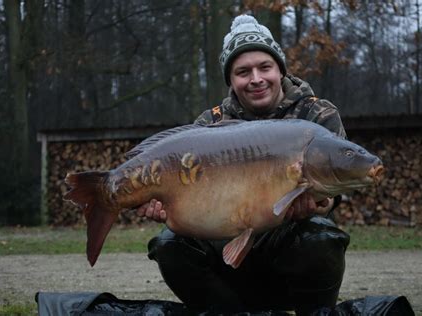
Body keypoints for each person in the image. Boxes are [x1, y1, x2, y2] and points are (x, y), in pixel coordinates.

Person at [137, 15, 350, 315]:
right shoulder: (209, 124)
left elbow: (334, 188)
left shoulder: (317, 114)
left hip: (286, 248)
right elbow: (185, 196)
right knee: (169, 244)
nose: (256, 79)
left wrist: (319, 204)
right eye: (243, 72)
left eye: (265, 67)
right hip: (223, 252)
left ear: (280, 70)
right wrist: (167, 205)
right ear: (231, 80)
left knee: (321, 236)